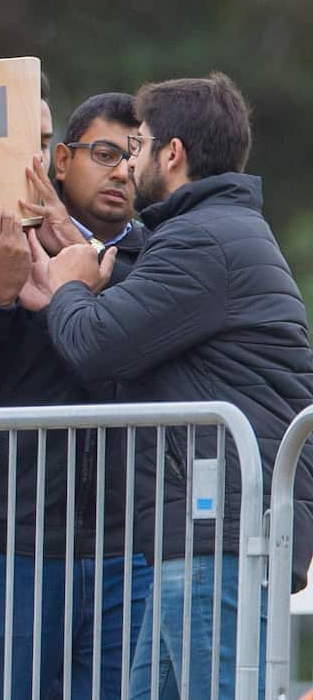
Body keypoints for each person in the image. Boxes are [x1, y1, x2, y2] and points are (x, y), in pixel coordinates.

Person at [34, 73, 313, 699]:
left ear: (172, 154)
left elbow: (96, 347)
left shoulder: (202, 241)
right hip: (201, 538)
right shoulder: (211, 233)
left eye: (137, 148)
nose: (128, 165)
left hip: (218, 539)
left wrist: (69, 287)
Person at [0, 92, 152, 699]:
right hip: (4, 538)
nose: (121, 170)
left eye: (134, 156)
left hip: (125, 545)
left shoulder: (159, 256)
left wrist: (76, 258)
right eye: (104, 153)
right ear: (60, 161)